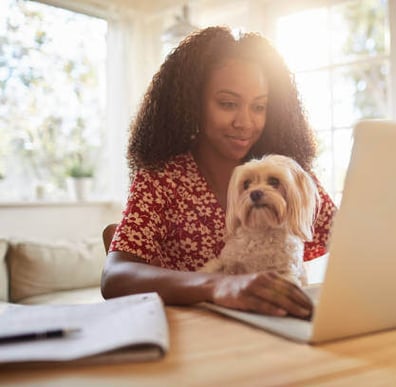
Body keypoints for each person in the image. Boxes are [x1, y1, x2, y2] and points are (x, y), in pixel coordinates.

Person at [101, 26, 336, 319]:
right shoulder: (162, 179)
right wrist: (219, 284)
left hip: (277, 333)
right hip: (195, 340)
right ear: (192, 103)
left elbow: (348, 237)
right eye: (227, 104)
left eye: (259, 107)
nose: (245, 122)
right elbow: (115, 276)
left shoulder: (290, 178)